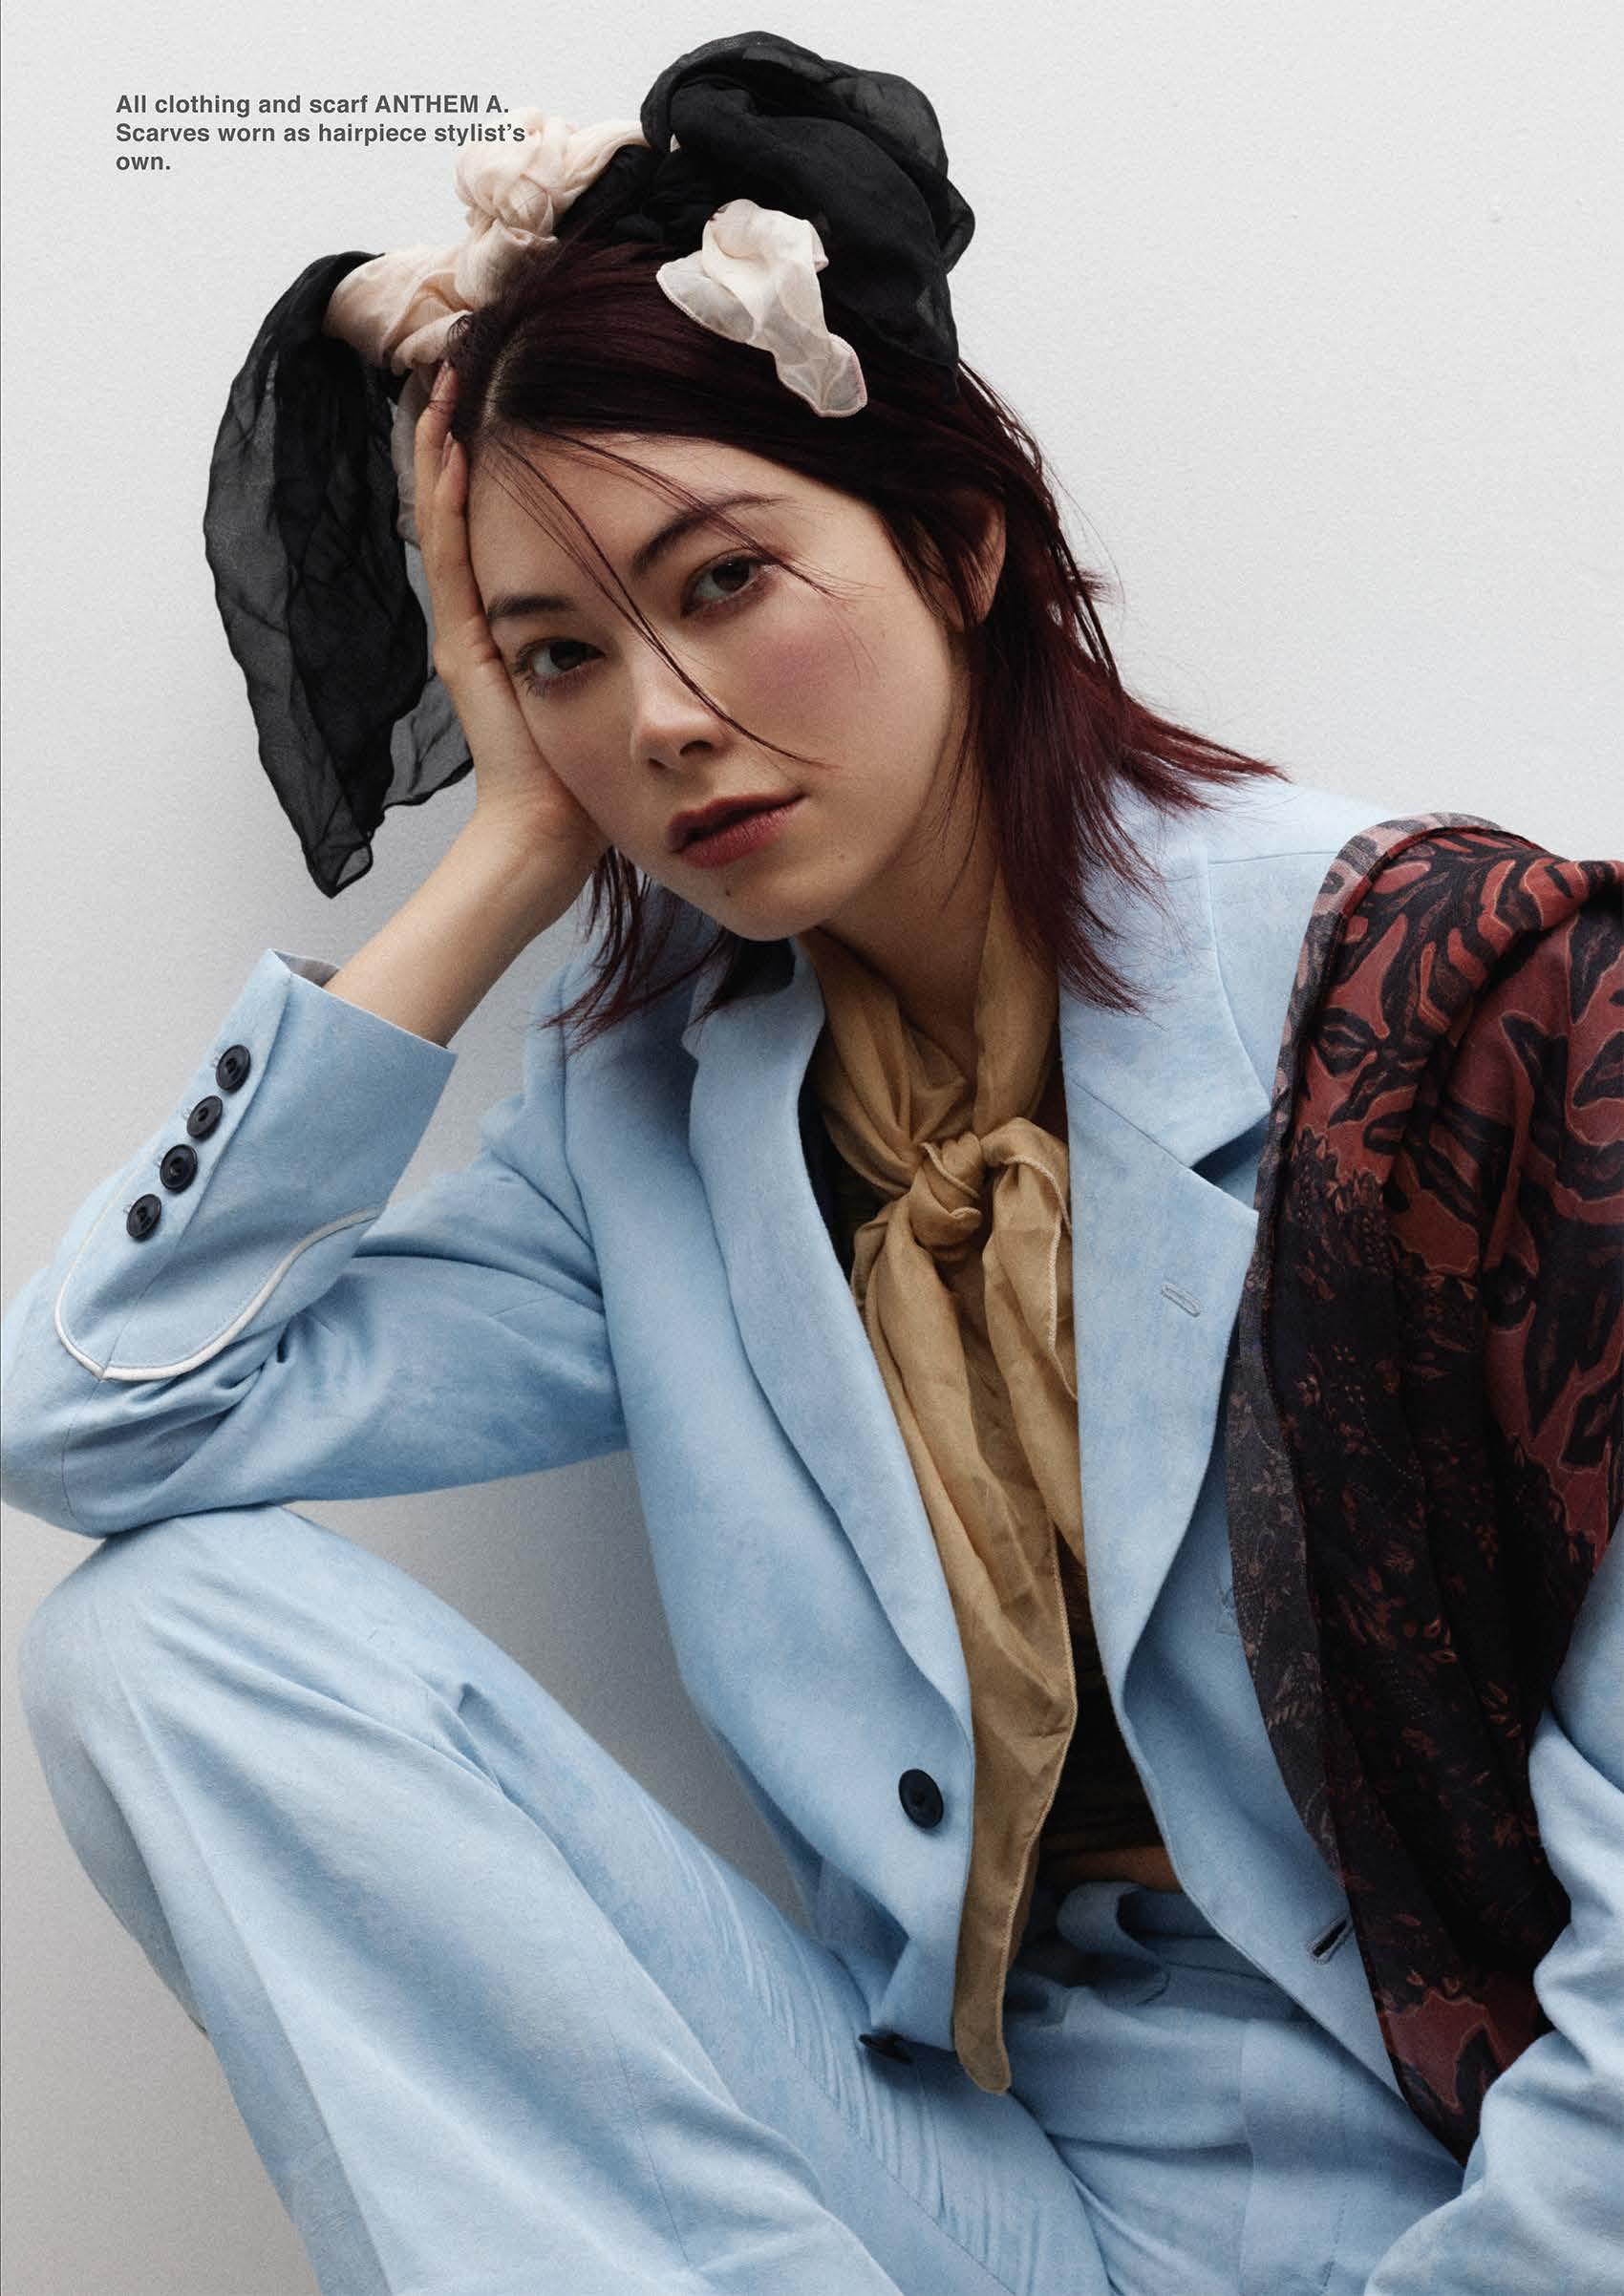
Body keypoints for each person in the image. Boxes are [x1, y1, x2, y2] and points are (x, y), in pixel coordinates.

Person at [3, 32, 1619, 2296]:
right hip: (968, 2185)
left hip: (1440, 2185)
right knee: (162, 1641)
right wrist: (505, 858)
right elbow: (100, 1418)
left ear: (955, 545)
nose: (660, 715)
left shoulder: (1457, 1005)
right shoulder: (655, 1130)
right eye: (559, 654)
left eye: (723, 581)